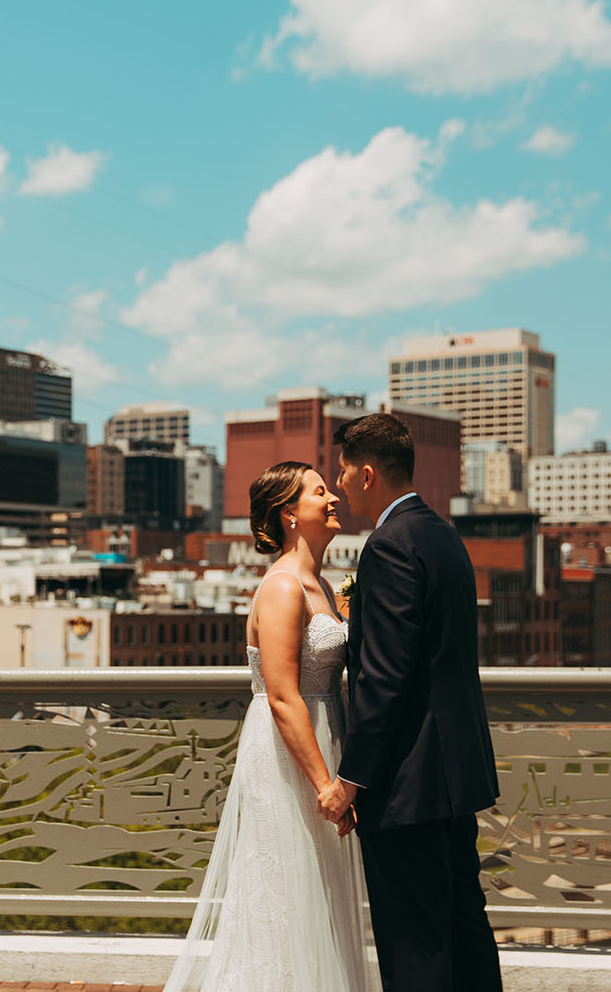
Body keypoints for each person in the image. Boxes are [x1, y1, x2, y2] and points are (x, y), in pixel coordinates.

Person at [164, 461, 377, 992]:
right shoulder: (283, 587)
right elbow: (282, 696)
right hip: (292, 757)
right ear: (289, 514)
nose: (332, 499)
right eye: (318, 492)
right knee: (283, 890)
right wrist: (326, 785)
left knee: (317, 894)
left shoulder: (323, 586)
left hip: (323, 737)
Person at [316, 413, 503, 992]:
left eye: (344, 468)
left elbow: (385, 678)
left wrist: (352, 778)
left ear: (368, 473)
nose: (340, 480)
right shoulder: (442, 534)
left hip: (407, 785)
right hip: (453, 777)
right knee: (464, 932)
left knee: (415, 945)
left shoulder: (389, 546)